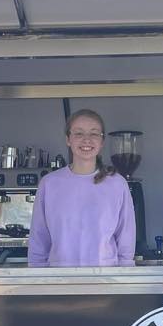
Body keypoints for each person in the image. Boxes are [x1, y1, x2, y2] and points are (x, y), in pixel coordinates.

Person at [28, 109, 136, 267]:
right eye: (79, 133)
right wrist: (36, 276)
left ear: (102, 141)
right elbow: (39, 239)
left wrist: (125, 276)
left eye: (94, 134)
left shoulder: (117, 184)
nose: (87, 140)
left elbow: (126, 240)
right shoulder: (49, 184)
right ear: (68, 139)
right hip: (59, 278)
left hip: (106, 278)